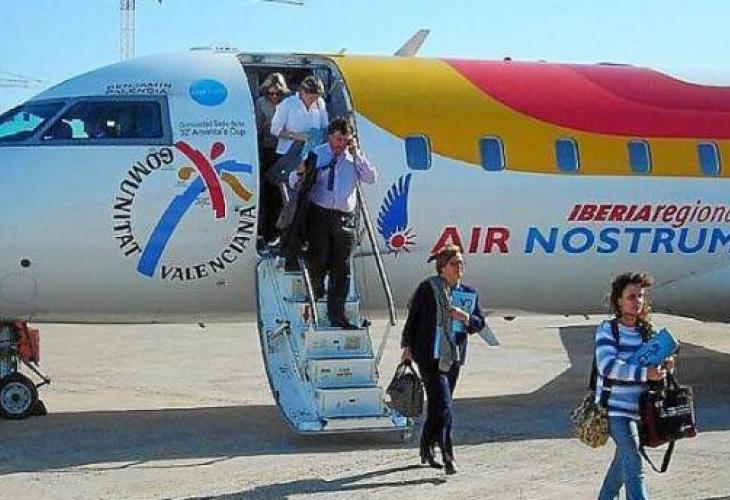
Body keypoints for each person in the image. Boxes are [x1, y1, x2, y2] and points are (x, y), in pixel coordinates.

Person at [400, 244, 485, 475]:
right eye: (454, 264)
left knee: (438, 407)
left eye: (461, 263)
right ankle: (448, 456)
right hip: (429, 356)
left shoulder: (467, 293)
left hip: (453, 356)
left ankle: (426, 446)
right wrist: (407, 348)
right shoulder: (428, 289)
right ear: (442, 267)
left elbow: (479, 323)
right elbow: (413, 320)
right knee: (444, 405)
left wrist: (466, 318)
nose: (459, 268)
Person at [287, 117, 377, 328]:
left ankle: (337, 314)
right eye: (337, 139)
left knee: (342, 268)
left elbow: (371, 178)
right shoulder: (317, 154)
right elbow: (293, 180)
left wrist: (357, 154)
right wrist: (300, 173)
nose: (340, 145)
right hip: (320, 214)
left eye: (345, 140)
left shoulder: (354, 159)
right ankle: (316, 296)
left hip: (344, 217)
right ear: (329, 137)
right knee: (318, 259)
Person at [596, 272, 676, 500]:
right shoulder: (608, 330)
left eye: (640, 296)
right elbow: (607, 367)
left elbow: (655, 372)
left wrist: (666, 366)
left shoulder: (647, 332)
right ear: (619, 301)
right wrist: (644, 373)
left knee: (622, 465)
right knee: (634, 463)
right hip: (615, 410)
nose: (637, 301)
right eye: (631, 297)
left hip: (641, 411)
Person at [255, 72, 289, 244]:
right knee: (267, 194)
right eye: (271, 93)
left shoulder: (288, 104)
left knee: (282, 195)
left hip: (285, 152)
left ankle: (281, 233)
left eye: (278, 93)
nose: (274, 97)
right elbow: (258, 128)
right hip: (268, 151)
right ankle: (267, 232)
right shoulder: (261, 104)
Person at [270, 75, 328, 158]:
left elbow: (325, 126)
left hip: (311, 154)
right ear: (302, 92)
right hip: (288, 154)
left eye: (316, 97)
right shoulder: (287, 104)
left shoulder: (320, 103)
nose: (313, 101)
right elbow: (274, 130)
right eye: (311, 98)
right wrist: (296, 136)